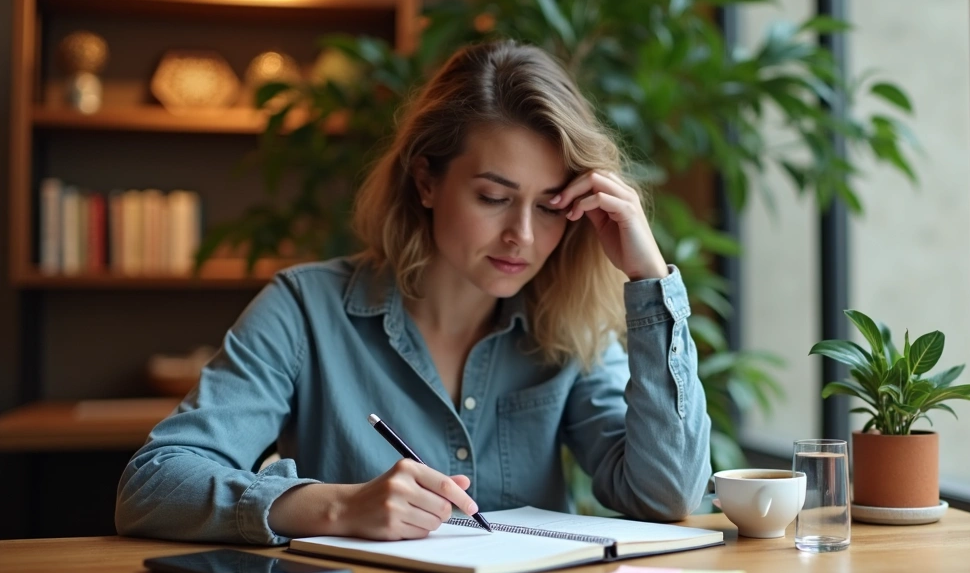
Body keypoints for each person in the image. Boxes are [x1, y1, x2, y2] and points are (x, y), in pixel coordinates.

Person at [115, 40, 712, 545]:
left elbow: (667, 496)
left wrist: (649, 281)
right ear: (427, 180)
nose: (522, 236)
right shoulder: (304, 309)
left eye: (551, 208)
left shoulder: (568, 322)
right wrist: (336, 507)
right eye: (493, 197)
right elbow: (155, 483)